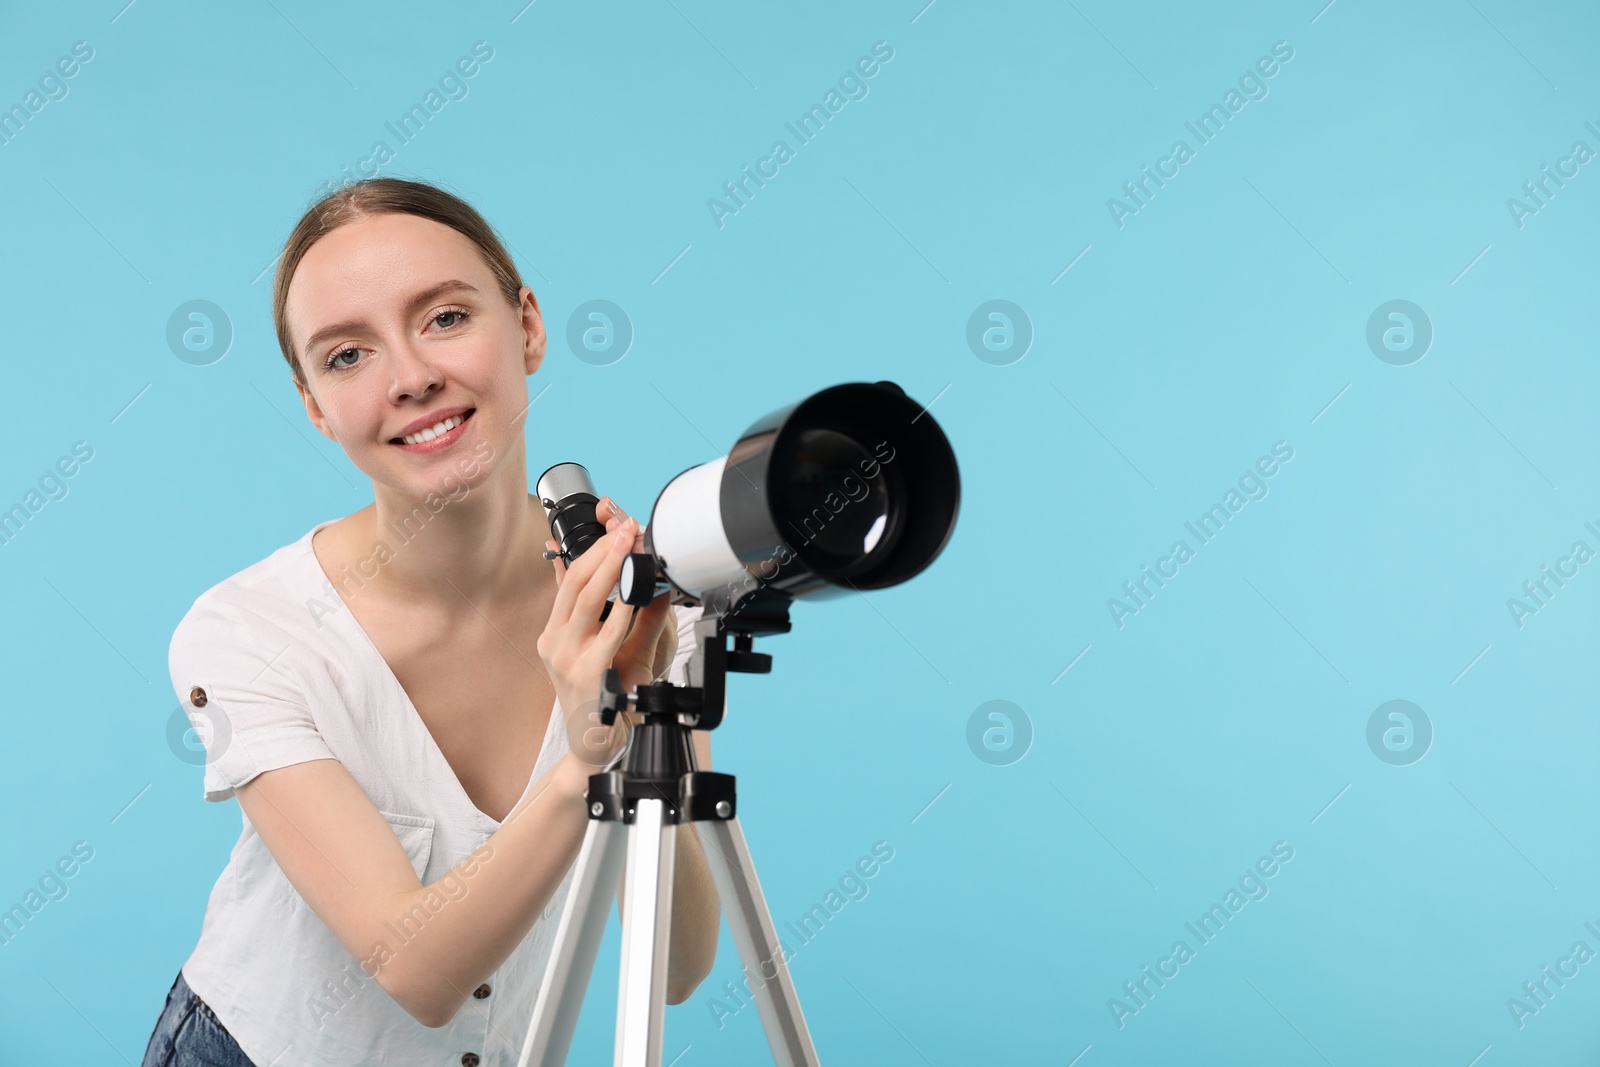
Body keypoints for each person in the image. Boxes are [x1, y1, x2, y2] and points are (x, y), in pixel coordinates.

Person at [141, 177, 721, 1066]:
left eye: (445, 317)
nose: (411, 377)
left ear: (526, 324)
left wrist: (647, 724)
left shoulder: (636, 603)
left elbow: (679, 961)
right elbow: (413, 971)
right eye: (346, 357)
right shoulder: (247, 632)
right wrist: (584, 759)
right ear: (313, 406)